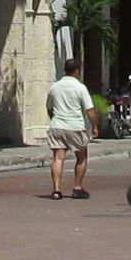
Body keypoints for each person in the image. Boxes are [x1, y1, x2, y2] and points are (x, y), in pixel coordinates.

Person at [45, 58, 99, 200]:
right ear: (77, 71)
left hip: (57, 125)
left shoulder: (55, 87)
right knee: (81, 156)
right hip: (75, 126)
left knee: (58, 157)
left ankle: (56, 190)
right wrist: (94, 125)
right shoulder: (80, 87)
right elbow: (90, 109)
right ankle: (77, 187)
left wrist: (55, 119)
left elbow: (49, 108)